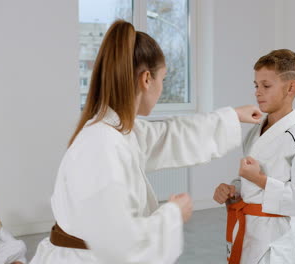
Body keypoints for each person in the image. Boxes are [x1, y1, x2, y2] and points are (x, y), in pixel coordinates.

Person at [30, 20, 262, 264]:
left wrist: (232, 116)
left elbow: (169, 135)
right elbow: (118, 241)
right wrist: (172, 215)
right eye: (163, 79)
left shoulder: (117, 130)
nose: (162, 88)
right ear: (147, 79)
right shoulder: (102, 144)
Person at [213, 49, 295, 264]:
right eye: (256, 85)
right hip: (247, 228)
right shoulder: (256, 130)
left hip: (275, 237)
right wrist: (233, 189)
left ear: (291, 87)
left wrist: (259, 180)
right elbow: (250, 183)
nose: (257, 92)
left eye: (266, 86)